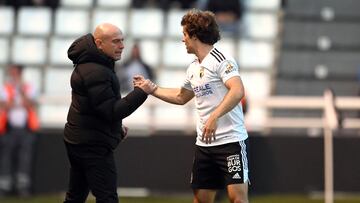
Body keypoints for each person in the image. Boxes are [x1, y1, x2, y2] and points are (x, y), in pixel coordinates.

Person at [134, 9, 249, 203]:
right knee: (201, 200)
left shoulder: (222, 60)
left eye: (185, 35)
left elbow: (237, 91)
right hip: (204, 146)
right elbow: (181, 97)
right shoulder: (193, 67)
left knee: (237, 199)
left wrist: (214, 116)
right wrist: (152, 89)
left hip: (230, 142)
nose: (183, 40)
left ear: (195, 35)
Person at [63, 23, 157, 203]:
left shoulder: (94, 64)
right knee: (107, 198)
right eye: (115, 41)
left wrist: (115, 128)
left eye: (122, 41)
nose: (122, 46)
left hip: (80, 138)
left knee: (75, 197)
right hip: (91, 144)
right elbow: (111, 111)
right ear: (99, 43)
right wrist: (142, 91)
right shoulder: (96, 71)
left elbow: (95, 108)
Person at [0, 64, 39, 197]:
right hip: (8, 128)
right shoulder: (5, 87)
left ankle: (22, 187)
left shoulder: (29, 87)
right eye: (12, 73)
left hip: (26, 128)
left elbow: (30, 103)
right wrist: (18, 102)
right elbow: (4, 105)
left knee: (25, 158)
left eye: (16, 73)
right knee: (6, 157)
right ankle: (5, 187)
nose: (14, 75)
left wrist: (21, 92)